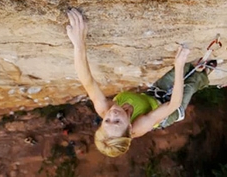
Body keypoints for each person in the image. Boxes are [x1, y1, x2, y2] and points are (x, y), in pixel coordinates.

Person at [66, 8, 215, 157]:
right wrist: (178, 65)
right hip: (168, 112)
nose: (113, 113)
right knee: (190, 84)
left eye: (107, 121)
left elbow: (88, 82)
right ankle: (204, 74)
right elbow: (173, 104)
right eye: (117, 121)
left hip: (152, 95)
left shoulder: (105, 108)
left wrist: (79, 44)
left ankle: (196, 66)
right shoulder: (139, 125)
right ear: (129, 127)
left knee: (186, 68)